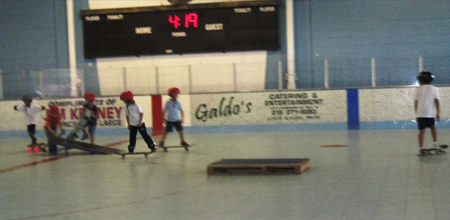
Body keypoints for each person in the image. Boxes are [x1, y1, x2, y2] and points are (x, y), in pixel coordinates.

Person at [414, 71, 440, 156]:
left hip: (421, 113)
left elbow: (416, 103)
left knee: (421, 131)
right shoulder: (434, 89)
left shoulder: (417, 89)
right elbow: (436, 101)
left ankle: (420, 149)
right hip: (430, 113)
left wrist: (417, 114)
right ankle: (436, 145)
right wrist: (438, 112)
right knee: (433, 129)